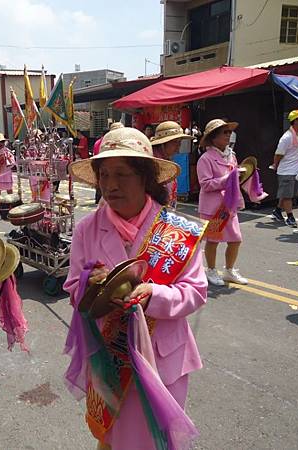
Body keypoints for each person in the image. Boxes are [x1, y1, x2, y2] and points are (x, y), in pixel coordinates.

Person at [64, 126, 206, 450]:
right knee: (113, 438)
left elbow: (195, 291)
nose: (111, 185)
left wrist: (154, 295)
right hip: (110, 360)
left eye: (122, 175)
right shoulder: (87, 228)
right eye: (105, 175)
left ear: (145, 177)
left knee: (157, 442)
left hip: (164, 360)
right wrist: (92, 286)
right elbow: (72, 287)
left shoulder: (175, 230)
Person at [197, 119, 248, 286]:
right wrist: (228, 179)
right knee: (213, 240)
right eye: (224, 133)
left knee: (236, 239)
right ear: (213, 138)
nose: (228, 135)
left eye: (229, 132)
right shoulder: (205, 158)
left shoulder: (231, 155)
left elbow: (234, 180)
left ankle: (229, 270)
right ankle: (211, 270)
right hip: (213, 208)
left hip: (229, 205)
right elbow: (205, 184)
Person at [272, 110, 298, 227]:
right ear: (295, 121)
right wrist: (275, 165)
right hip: (286, 170)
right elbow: (278, 154)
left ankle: (278, 211)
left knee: (288, 193)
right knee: (288, 195)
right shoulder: (287, 137)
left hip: (297, 170)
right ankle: (290, 217)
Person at [150, 121, 194, 209]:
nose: (178, 147)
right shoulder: (152, 163)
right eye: (175, 143)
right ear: (163, 144)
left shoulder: (167, 159)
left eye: (179, 143)